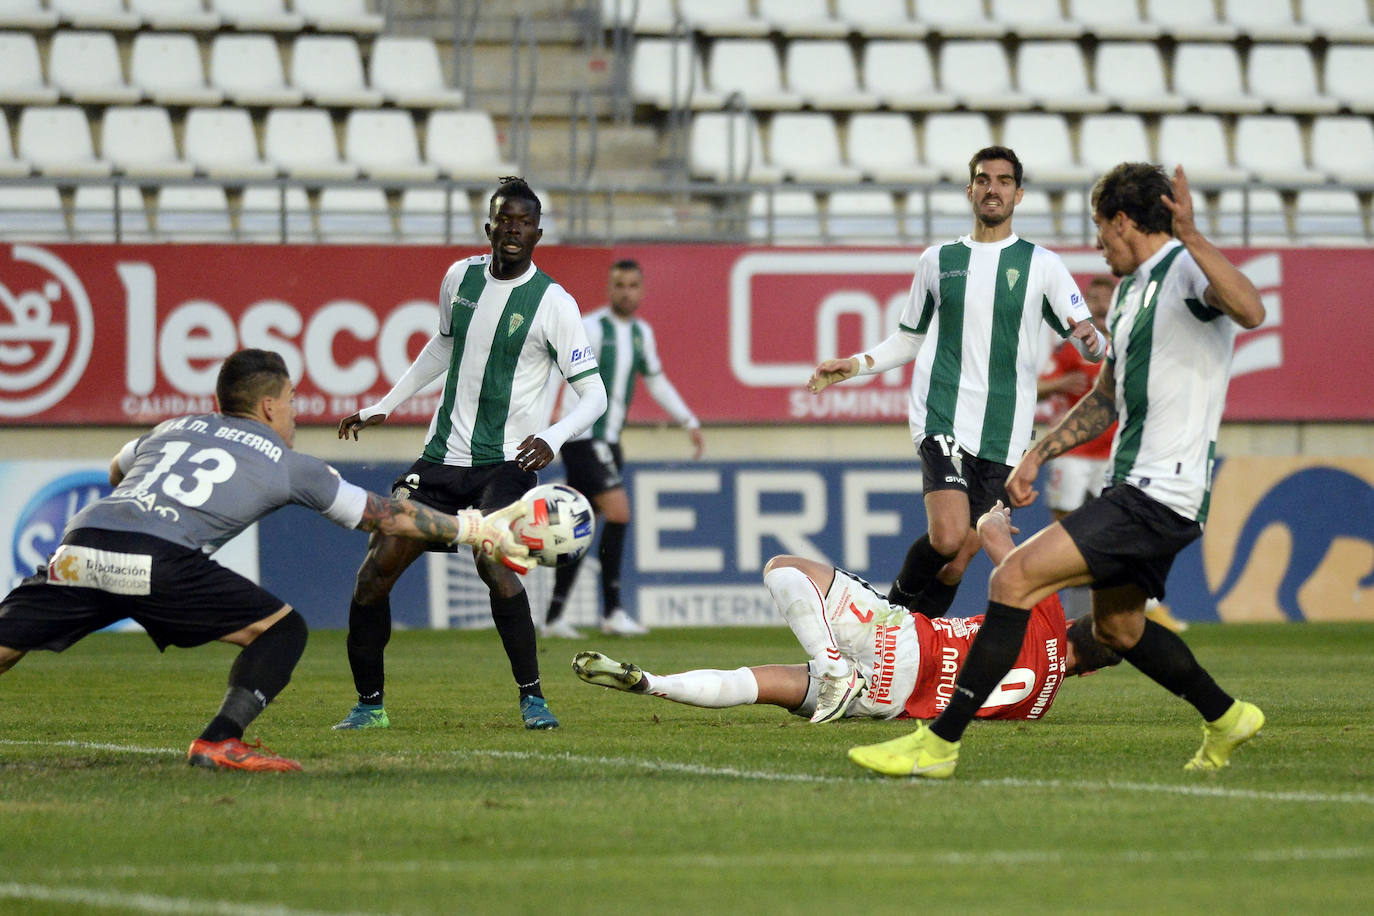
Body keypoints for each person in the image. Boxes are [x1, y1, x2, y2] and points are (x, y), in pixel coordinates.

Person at [848, 163, 1267, 780]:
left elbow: (1251, 309)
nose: (1097, 244)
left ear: (1124, 221)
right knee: (1118, 630)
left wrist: (1193, 236)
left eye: (1101, 229)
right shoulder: (1129, 295)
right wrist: (1039, 453)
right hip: (1133, 484)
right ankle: (1228, 717)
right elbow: (1105, 397)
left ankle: (937, 746)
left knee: (1012, 580)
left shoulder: (1182, 269)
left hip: (1163, 491)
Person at [0, 349, 532, 772]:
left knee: (8, 643)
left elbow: (119, 471)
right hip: (158, 561)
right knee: (282, 630)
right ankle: (220, 741)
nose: (296, 414)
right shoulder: (289, 463)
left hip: (82, 541)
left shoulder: (171, 428)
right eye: (294, 402)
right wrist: (473, 527)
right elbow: (386, 517)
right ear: (270, 406)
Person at [333, 177, 608, 731]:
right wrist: (386, 403)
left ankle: (533, 698)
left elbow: (594, 394)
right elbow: (443, 344)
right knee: (374, 572)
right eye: (504, 220)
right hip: (440, 457)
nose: (513, 230)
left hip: (506, 462)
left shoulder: (554, 303)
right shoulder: (459, 277)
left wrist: (552, 438)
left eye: (524, 223)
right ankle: (369, 705)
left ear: (537, 233)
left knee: (493, 561)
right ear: (490, 226)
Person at [808, 146, 1104, 630]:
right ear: (970, 190)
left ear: (1019, 194)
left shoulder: (1043, 265)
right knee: (946, 537)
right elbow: (908, 337)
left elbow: (1090, 342)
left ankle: (904, 657)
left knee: (957, 560)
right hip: (942, 411)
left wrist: (1092, 342)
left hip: (1004, 431)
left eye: (1004, 181)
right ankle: (886, 622)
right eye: (984, 179)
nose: (993, 188)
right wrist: (856, 364)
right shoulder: (938, 260)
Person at [572, 503, 1121, 722]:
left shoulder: (1047, 612)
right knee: (776, 685)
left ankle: (829, 662)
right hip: (892, 703)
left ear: (1077, 619)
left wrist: (996, 519)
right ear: (1090, 670)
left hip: (903, 640)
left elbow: (996, 540)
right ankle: (653, 684)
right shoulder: (1036, 709)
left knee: (784, 568)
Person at [541, 258, 704, 639]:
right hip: (585, 439)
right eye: (619, 285)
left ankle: (553, 617)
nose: (626, 292)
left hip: (610, 442)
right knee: (620, 512)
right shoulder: (593, 327)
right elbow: (556, 371)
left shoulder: (641, 333)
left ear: (641, 291)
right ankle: (612, 612)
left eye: (632, 285)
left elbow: (657, 380)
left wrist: (688, 420)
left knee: (581, 528)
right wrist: (544, 426)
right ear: (609, 289)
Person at [1037, 276, 1189, 633]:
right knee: (1064, 530)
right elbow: (1036, 388)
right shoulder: (1070, 348)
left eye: (1106, 298)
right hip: (1072, 453)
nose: (1101, 305)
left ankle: (1147, 606)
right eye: (1095, 298)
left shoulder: (1127, 342)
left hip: (1114, 455)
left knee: (1125, 532)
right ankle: (1062, 613)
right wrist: (1060, 384)